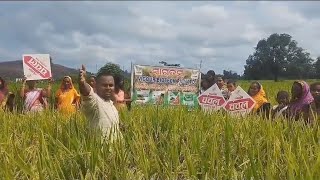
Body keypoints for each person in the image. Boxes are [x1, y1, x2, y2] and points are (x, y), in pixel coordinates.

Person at [79, 65, 120, 139]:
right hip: (100, 149)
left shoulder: (112, 105)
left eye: (111, 85)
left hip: (115, 148)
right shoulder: (96, 101)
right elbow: (88, 94)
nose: (108, 88)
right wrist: (83, 83)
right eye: (104, 85)